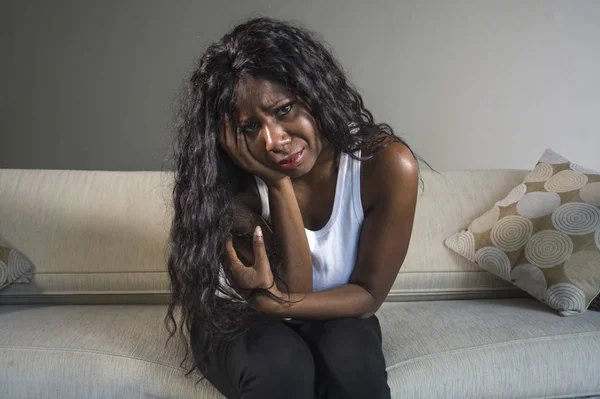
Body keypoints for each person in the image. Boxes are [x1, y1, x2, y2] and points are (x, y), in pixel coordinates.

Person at [165, 16, 420, 399]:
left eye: (283, 110)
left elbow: (367, 295)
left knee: (352, 362)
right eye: (250, 128)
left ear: (315, 92)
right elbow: (292, 288)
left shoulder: (385, 166)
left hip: (332, 311)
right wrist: (278, 183)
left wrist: (278, 303)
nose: (273, 141)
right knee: (283, 367)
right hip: (239, 316)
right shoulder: (232, 187)